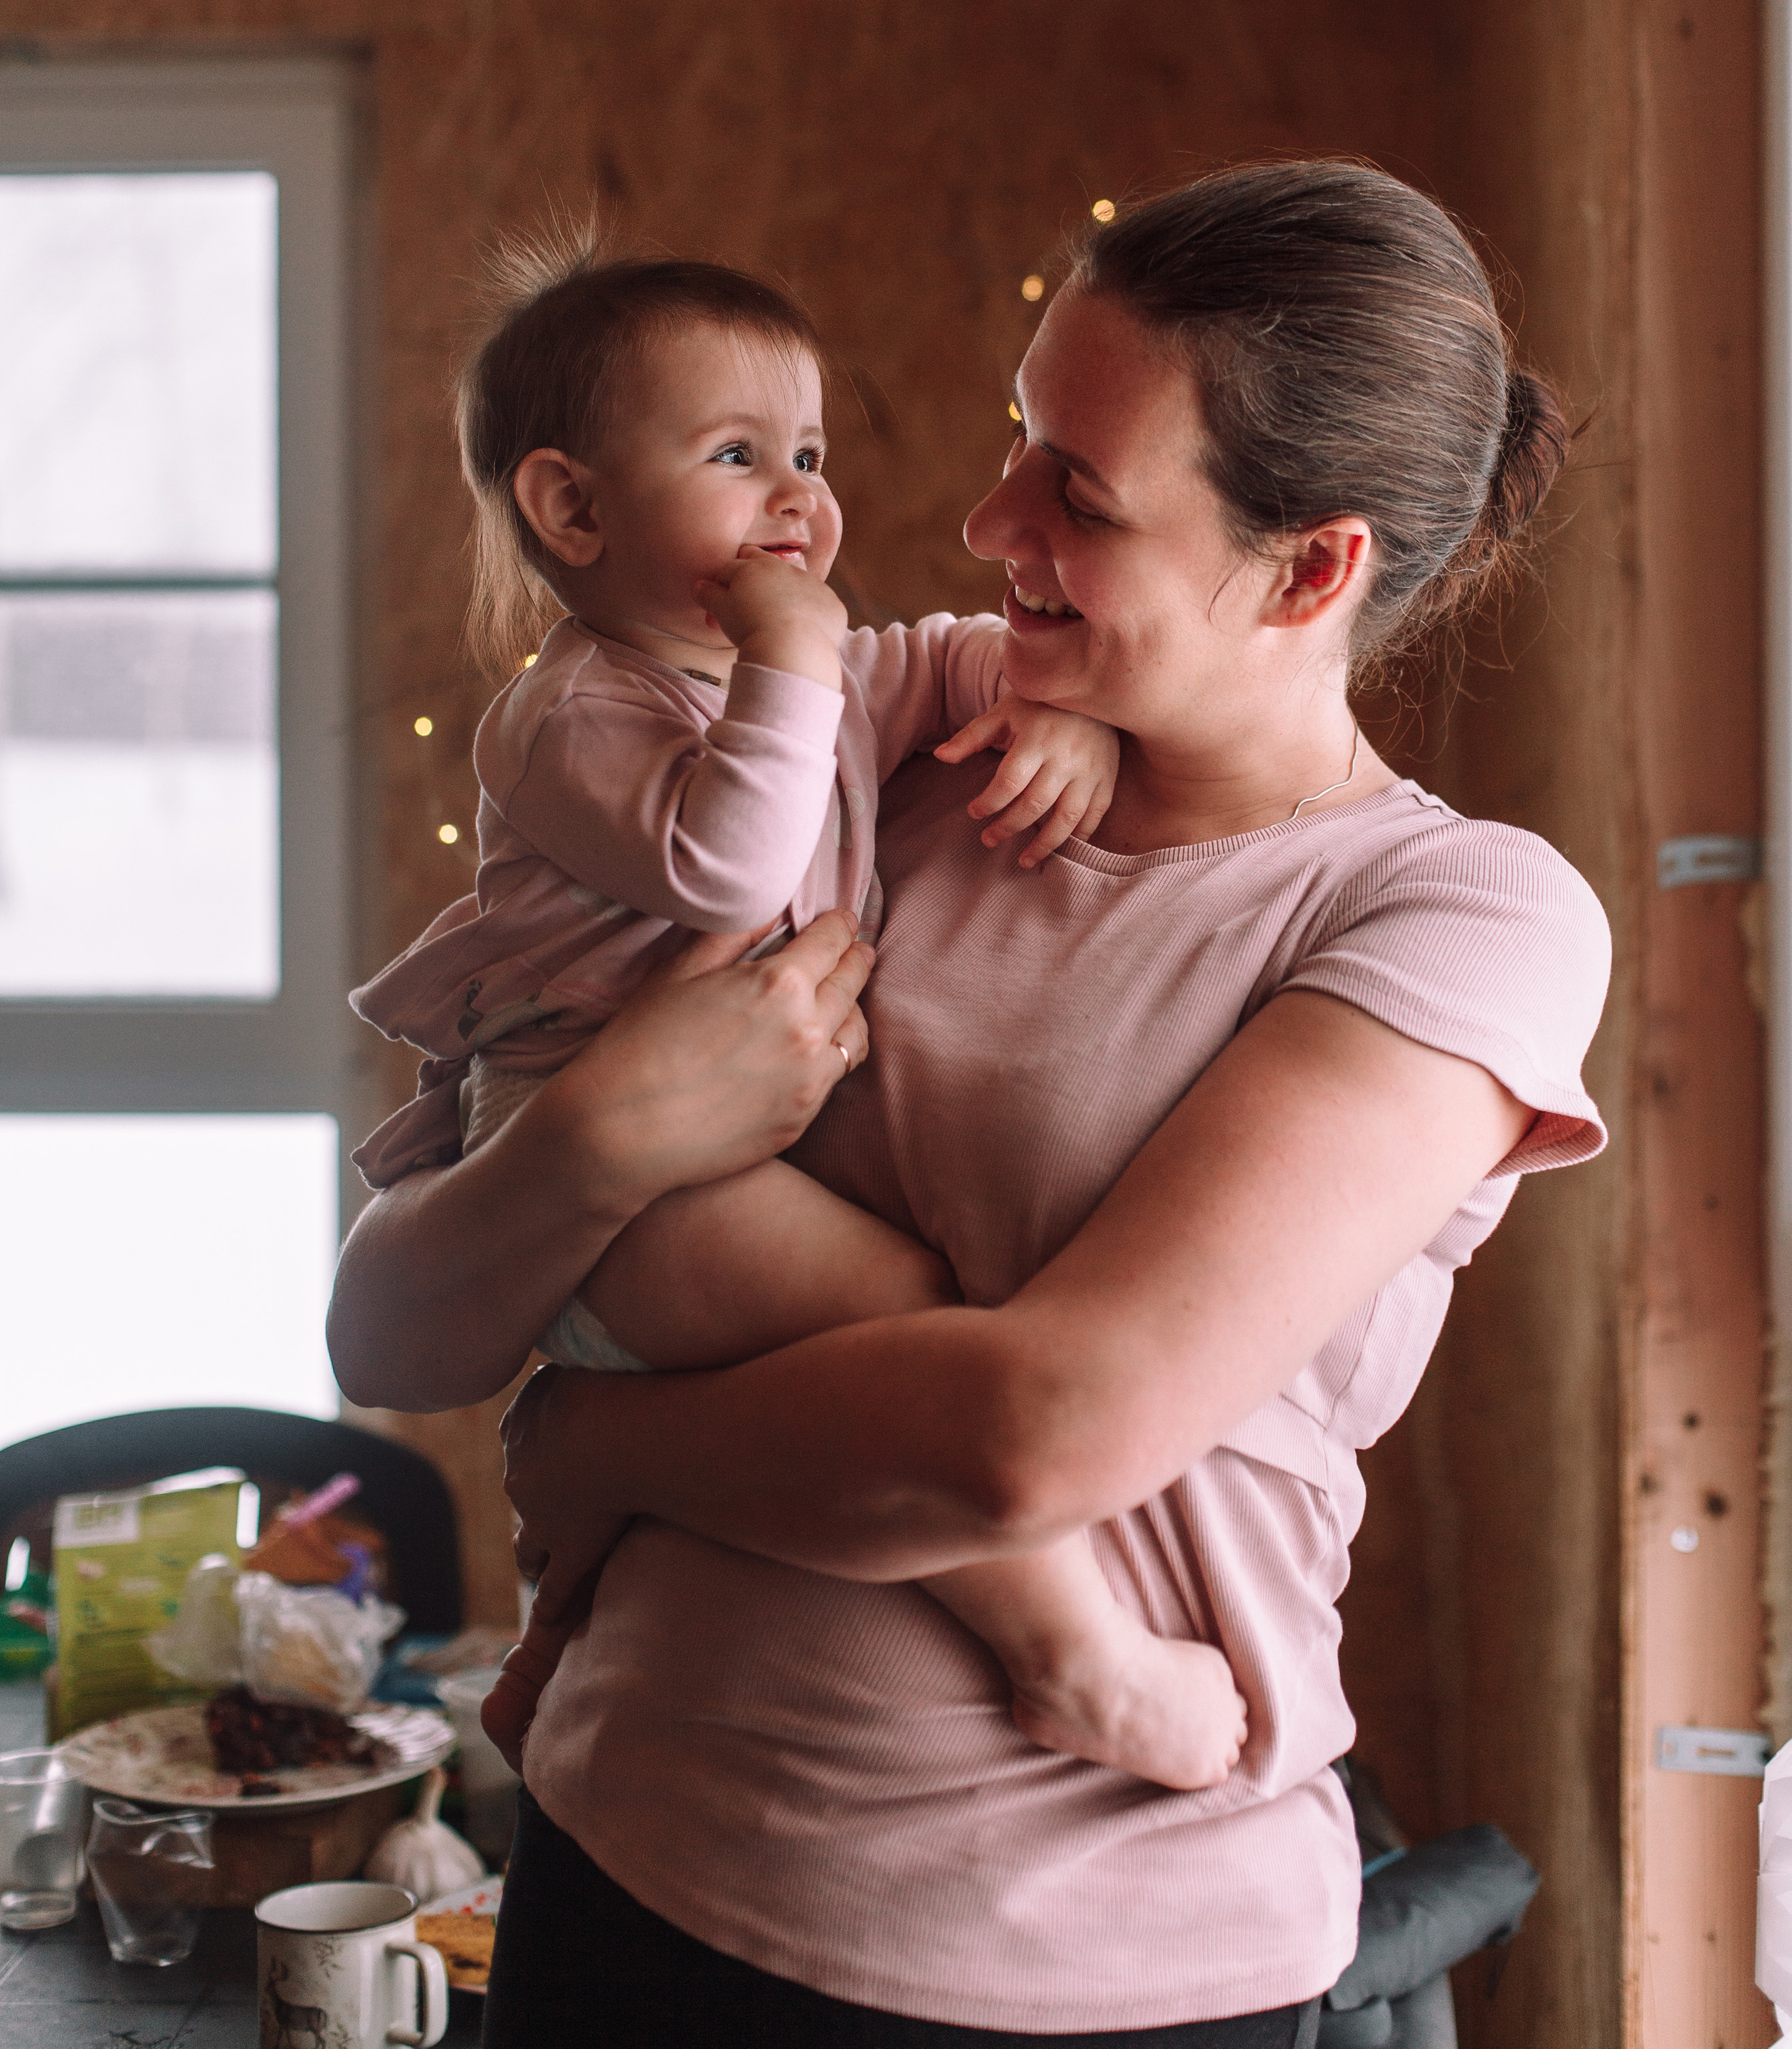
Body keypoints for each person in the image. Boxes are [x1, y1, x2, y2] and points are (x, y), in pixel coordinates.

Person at [329, 160, 1613, 2049]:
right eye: (1024, 437)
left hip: (1073, 1961)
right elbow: (388, 1328)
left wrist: (617, 1452)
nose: (978, 516)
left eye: (1075, 495)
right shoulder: (875, 737)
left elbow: (1033, 1439)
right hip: (626, 1862)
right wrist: (608, 1131)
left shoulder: (1454, 918)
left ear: (1311, 568)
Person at [348, 243, 1248, 1791]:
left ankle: (568, 1611)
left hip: (710, 1171)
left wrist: (1057, 713)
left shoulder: (795, 674)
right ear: (571, 510)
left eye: (809, 457)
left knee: (860, 1372)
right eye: (735, 456)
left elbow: (963, 660)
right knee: (911, 1332)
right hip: (615, 1196)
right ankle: (1071, 1655)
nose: (799, 502)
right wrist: (795, 652)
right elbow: (727, 859)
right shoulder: (575, 714)